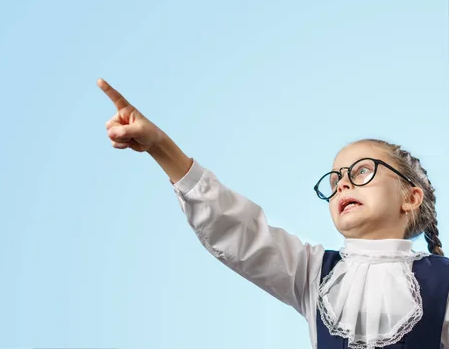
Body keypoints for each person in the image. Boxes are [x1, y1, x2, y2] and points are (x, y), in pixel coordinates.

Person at [97, 78, 449, 349]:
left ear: (411, 197)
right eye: (336, 178)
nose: (342, 184)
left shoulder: (444, 280)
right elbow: (237, 230)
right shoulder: (315, 274)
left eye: (361, 172)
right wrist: (161, 147)